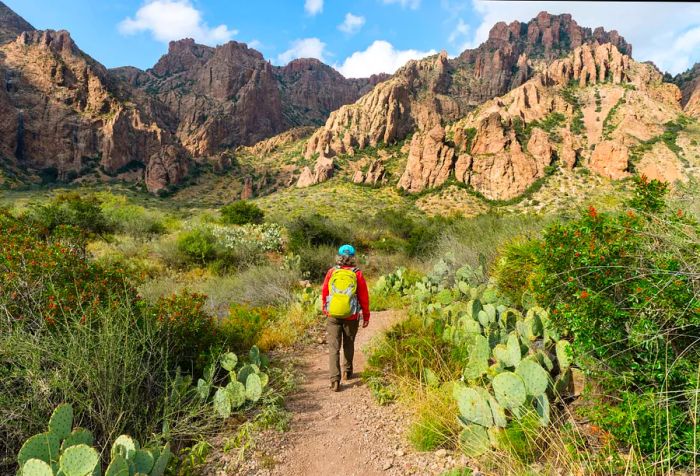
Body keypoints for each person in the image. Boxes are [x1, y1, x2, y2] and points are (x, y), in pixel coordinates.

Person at [321, 244, 370, 392]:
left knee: (333, 347)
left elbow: (325, 291)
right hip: (351, 314)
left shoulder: (331, 272)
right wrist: (366, 315)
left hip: (333, 314)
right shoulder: (357, 273)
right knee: (349, 343)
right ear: (353, 257)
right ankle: (347, 371)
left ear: (339, 256)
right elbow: (363, 296)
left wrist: (325, 308)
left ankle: (335, 380)